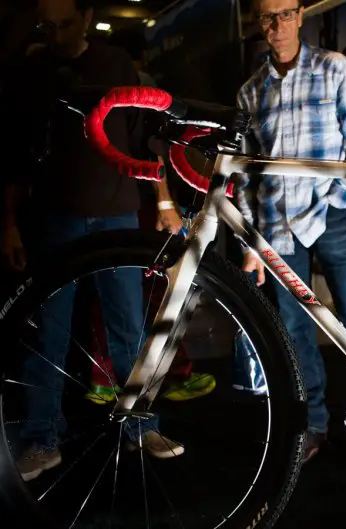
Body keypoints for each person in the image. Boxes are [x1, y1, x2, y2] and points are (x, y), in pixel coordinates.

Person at [0, 0, 183, 482]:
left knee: (127, 326)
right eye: (48, 23)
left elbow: (146, 136)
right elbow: (14, 151)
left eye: (65, 22)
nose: (57, 32)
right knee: (48, 333)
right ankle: (42, 438)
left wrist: (164, 202)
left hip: (116, 214)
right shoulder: (35, 70)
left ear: (85, 17)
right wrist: (10, 223)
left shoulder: (113, 63)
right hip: (55, 217)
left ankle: (139, 425)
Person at [235, 0, 346, 472]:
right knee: (294, 330)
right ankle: (312, 426)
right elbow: (247, 174)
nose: (277, 25)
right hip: (277, 226)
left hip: (332, 215)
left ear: (301, 15)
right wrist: (254, 238)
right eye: (268, 16)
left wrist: (339, 200)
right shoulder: (250, 93)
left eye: (285, 13)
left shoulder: (335, 68)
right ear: (259, 23)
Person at [83, 27, 217, 405]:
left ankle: (105, 375)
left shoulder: (103, 85)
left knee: (117, 287)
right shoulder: (140, 87)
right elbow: (152, 152)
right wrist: (164, 204)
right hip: (136, 202)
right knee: (154, 290)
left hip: (111, 201)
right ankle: (166, 375)